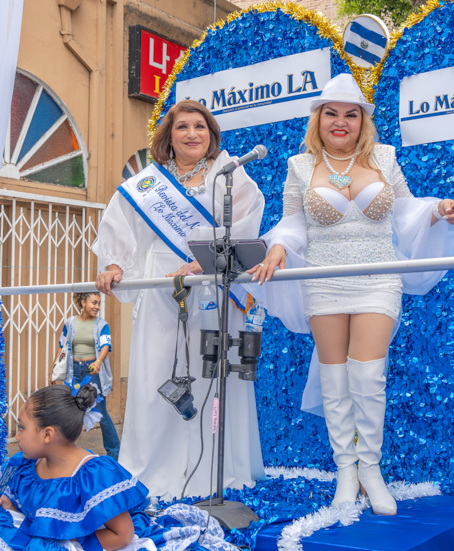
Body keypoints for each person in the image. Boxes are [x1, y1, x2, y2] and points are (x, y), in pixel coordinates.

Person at [249, 74, 454, 515]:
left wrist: (437, 209)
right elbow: (293, 222)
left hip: (378, 278)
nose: (341, 121)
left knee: (368, 378)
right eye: (331, 113)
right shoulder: (298, 166)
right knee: (335, 382)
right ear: (319, 119)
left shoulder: (385, 158)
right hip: (324, 280)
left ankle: (371, 469)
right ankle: (346, 471)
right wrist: (276, 246)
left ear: (362, 121)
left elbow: (406, 210)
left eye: (351, 114)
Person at [93, 100, 265, 499]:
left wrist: (200, 260)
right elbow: (120, 226)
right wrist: (116, 264)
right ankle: (153, 469)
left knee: (209, 373)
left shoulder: (231, 176)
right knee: (157, 370)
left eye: (200, 127)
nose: (192, 133)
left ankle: (210, 471)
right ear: (168, 137)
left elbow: (243, 223)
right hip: (159, 285)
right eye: (182, 126)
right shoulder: (147, 183)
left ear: (212, 135)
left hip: (208, 282)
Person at [0, 384, 240, 551]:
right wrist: (11, 506)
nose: (17, 435)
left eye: (22, 427)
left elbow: (122, 535)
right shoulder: (26, 466)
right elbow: (31, 509)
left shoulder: (93, 476)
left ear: (48, 434)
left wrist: (74, 546)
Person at [52, 292, 120, 460]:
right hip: (74, 370)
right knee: (70, 409)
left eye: (99, 303)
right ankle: (64, 450)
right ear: (83, 302)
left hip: (91, 370)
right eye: (94, 303)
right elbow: (62, 345)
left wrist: (98, 362)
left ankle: (114, 453)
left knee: (100, 411)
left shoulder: (101, 324)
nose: (97, 307)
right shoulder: (70, 322)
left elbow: (105, 345)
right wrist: (53, 370)